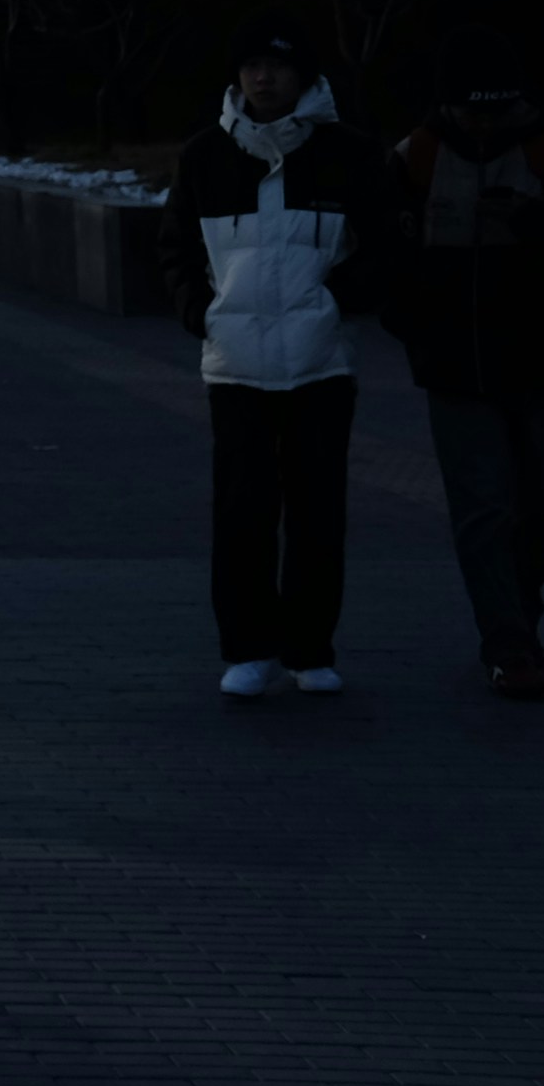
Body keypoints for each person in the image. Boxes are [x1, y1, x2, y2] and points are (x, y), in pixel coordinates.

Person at [157, 34, 397, 700]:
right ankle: (247, 649)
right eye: (252, 65)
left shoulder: (347, 152)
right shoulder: (205, 155)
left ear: (303, 76)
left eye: (277, 66)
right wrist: (200, 311)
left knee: (318, 512)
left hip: (322, 362)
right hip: (235, 365)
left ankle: (310, 649)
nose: (263, 78)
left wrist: (335, 302)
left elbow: (383, 244)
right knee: (242, 512)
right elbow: (174, 247)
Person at [376, 51, 544, 700]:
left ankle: (519, 616)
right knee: (483, 509)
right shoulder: (415, 157)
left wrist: (534, 225)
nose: (482, 124)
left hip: (543, 364)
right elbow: (384, 256)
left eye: (495, 109)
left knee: (543, 508)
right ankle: (507, 641)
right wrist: (417, 328)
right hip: (457, 369)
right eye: (469, 110)